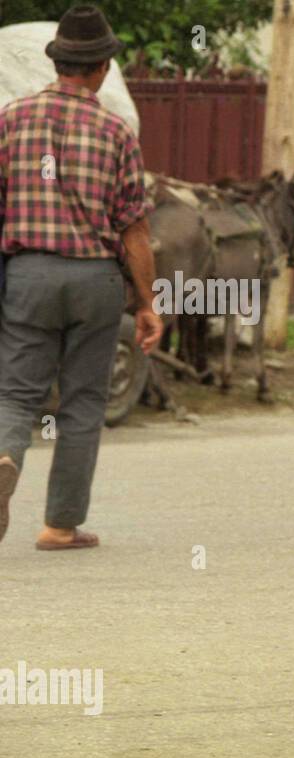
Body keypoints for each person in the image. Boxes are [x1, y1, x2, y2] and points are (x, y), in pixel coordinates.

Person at [0, 4, 162, 551]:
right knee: (82, 404)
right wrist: (148, 303)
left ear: (57, 64)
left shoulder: (11, 119)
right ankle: (60, 525)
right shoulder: (116, 131)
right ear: (99, 69)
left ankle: (3, 457)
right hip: (95, 280)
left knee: (16, 397)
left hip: (27, 275)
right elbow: (134, 229)